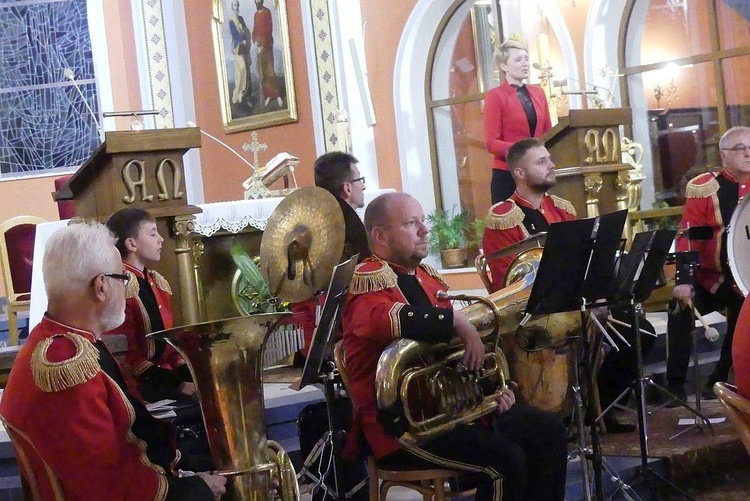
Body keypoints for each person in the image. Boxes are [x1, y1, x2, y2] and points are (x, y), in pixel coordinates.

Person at [342, 192, 568, 501]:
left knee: (549, 432)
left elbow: (458, 356)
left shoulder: (426, 278)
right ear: (380, 236)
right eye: (411, 223)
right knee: (504, 460)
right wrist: (456, 322)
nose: (425, 229)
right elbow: (380, 320)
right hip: (404, 432)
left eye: (423, 220)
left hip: (454, 413)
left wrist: (496, 388)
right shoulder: (368, 280)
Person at [0, 222, 226, 500]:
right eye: (123, 278)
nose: (128, 289)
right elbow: (108, 488)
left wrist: (191, 465)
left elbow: (130, 439)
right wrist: (197, 489)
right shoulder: (66, 364)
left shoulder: (62, 341)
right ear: (101, 286)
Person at [482, 138, 654, 433]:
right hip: (533, 314)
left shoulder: (562, 209)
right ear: (519, 174)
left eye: (549, 159)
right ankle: (563, 414)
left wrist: (597, 297)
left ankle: (597, 407)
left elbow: (584, 260)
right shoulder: (503, 218)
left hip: (574, 303)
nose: (551, 165)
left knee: (641, 331)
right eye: (541, 162)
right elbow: (506, 280)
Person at [667, 126, 750, 401]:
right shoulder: (706, 188)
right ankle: (674, 386)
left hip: (744, 279)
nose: (748, 153)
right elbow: (690, 236)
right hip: (708, 277)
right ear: (723, 155)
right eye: (740, 148)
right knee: (679, 311)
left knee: (743, 318)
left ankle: (719, 379)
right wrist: (684, 281)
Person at [105, 208, 195, 404]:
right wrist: (178, 385)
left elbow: (169, 348)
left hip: (163, 376)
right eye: (153, 233)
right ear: (131, 244)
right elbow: (127, 357)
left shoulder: (156, 282)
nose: (161, 240)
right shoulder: (121, 288)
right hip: (139, 385)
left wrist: (189, 374)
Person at [483, 38, 552, 204]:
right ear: (503, 66)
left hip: (537, 173)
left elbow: (548, 133)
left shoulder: (538, 93)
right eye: (518, 60)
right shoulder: (495, 96)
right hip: (508, 174)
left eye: (526, 59)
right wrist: (525, 152)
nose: (525, 64)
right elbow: (492, 143)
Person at [314, 150, 371, 263]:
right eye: (360, 179)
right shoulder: (351, 228)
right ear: (347, 188)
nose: (363, 186)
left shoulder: (317, 217)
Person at [252, 0, 283, 108]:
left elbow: (268, 30)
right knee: (263, 72)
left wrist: (263, 45)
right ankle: (268, 95)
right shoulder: (256, 15)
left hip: (267, 45)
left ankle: (277, 94)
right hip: (259, 47)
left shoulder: (267, 12)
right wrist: (255, 42)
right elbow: (255, 30)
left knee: (270, 71)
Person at [229, 0, 253, 107]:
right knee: (241, 68)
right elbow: (235, 34)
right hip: (238, 48)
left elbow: (246, 31)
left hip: (245, 48)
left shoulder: (241, 19)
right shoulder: (231, 20)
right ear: (232, 7)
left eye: (238, 5)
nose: (237, 7)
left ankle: (246, 96)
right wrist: (241, 40)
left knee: (246, 70)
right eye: (235, 5)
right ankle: (239, 93)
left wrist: (245, 37)